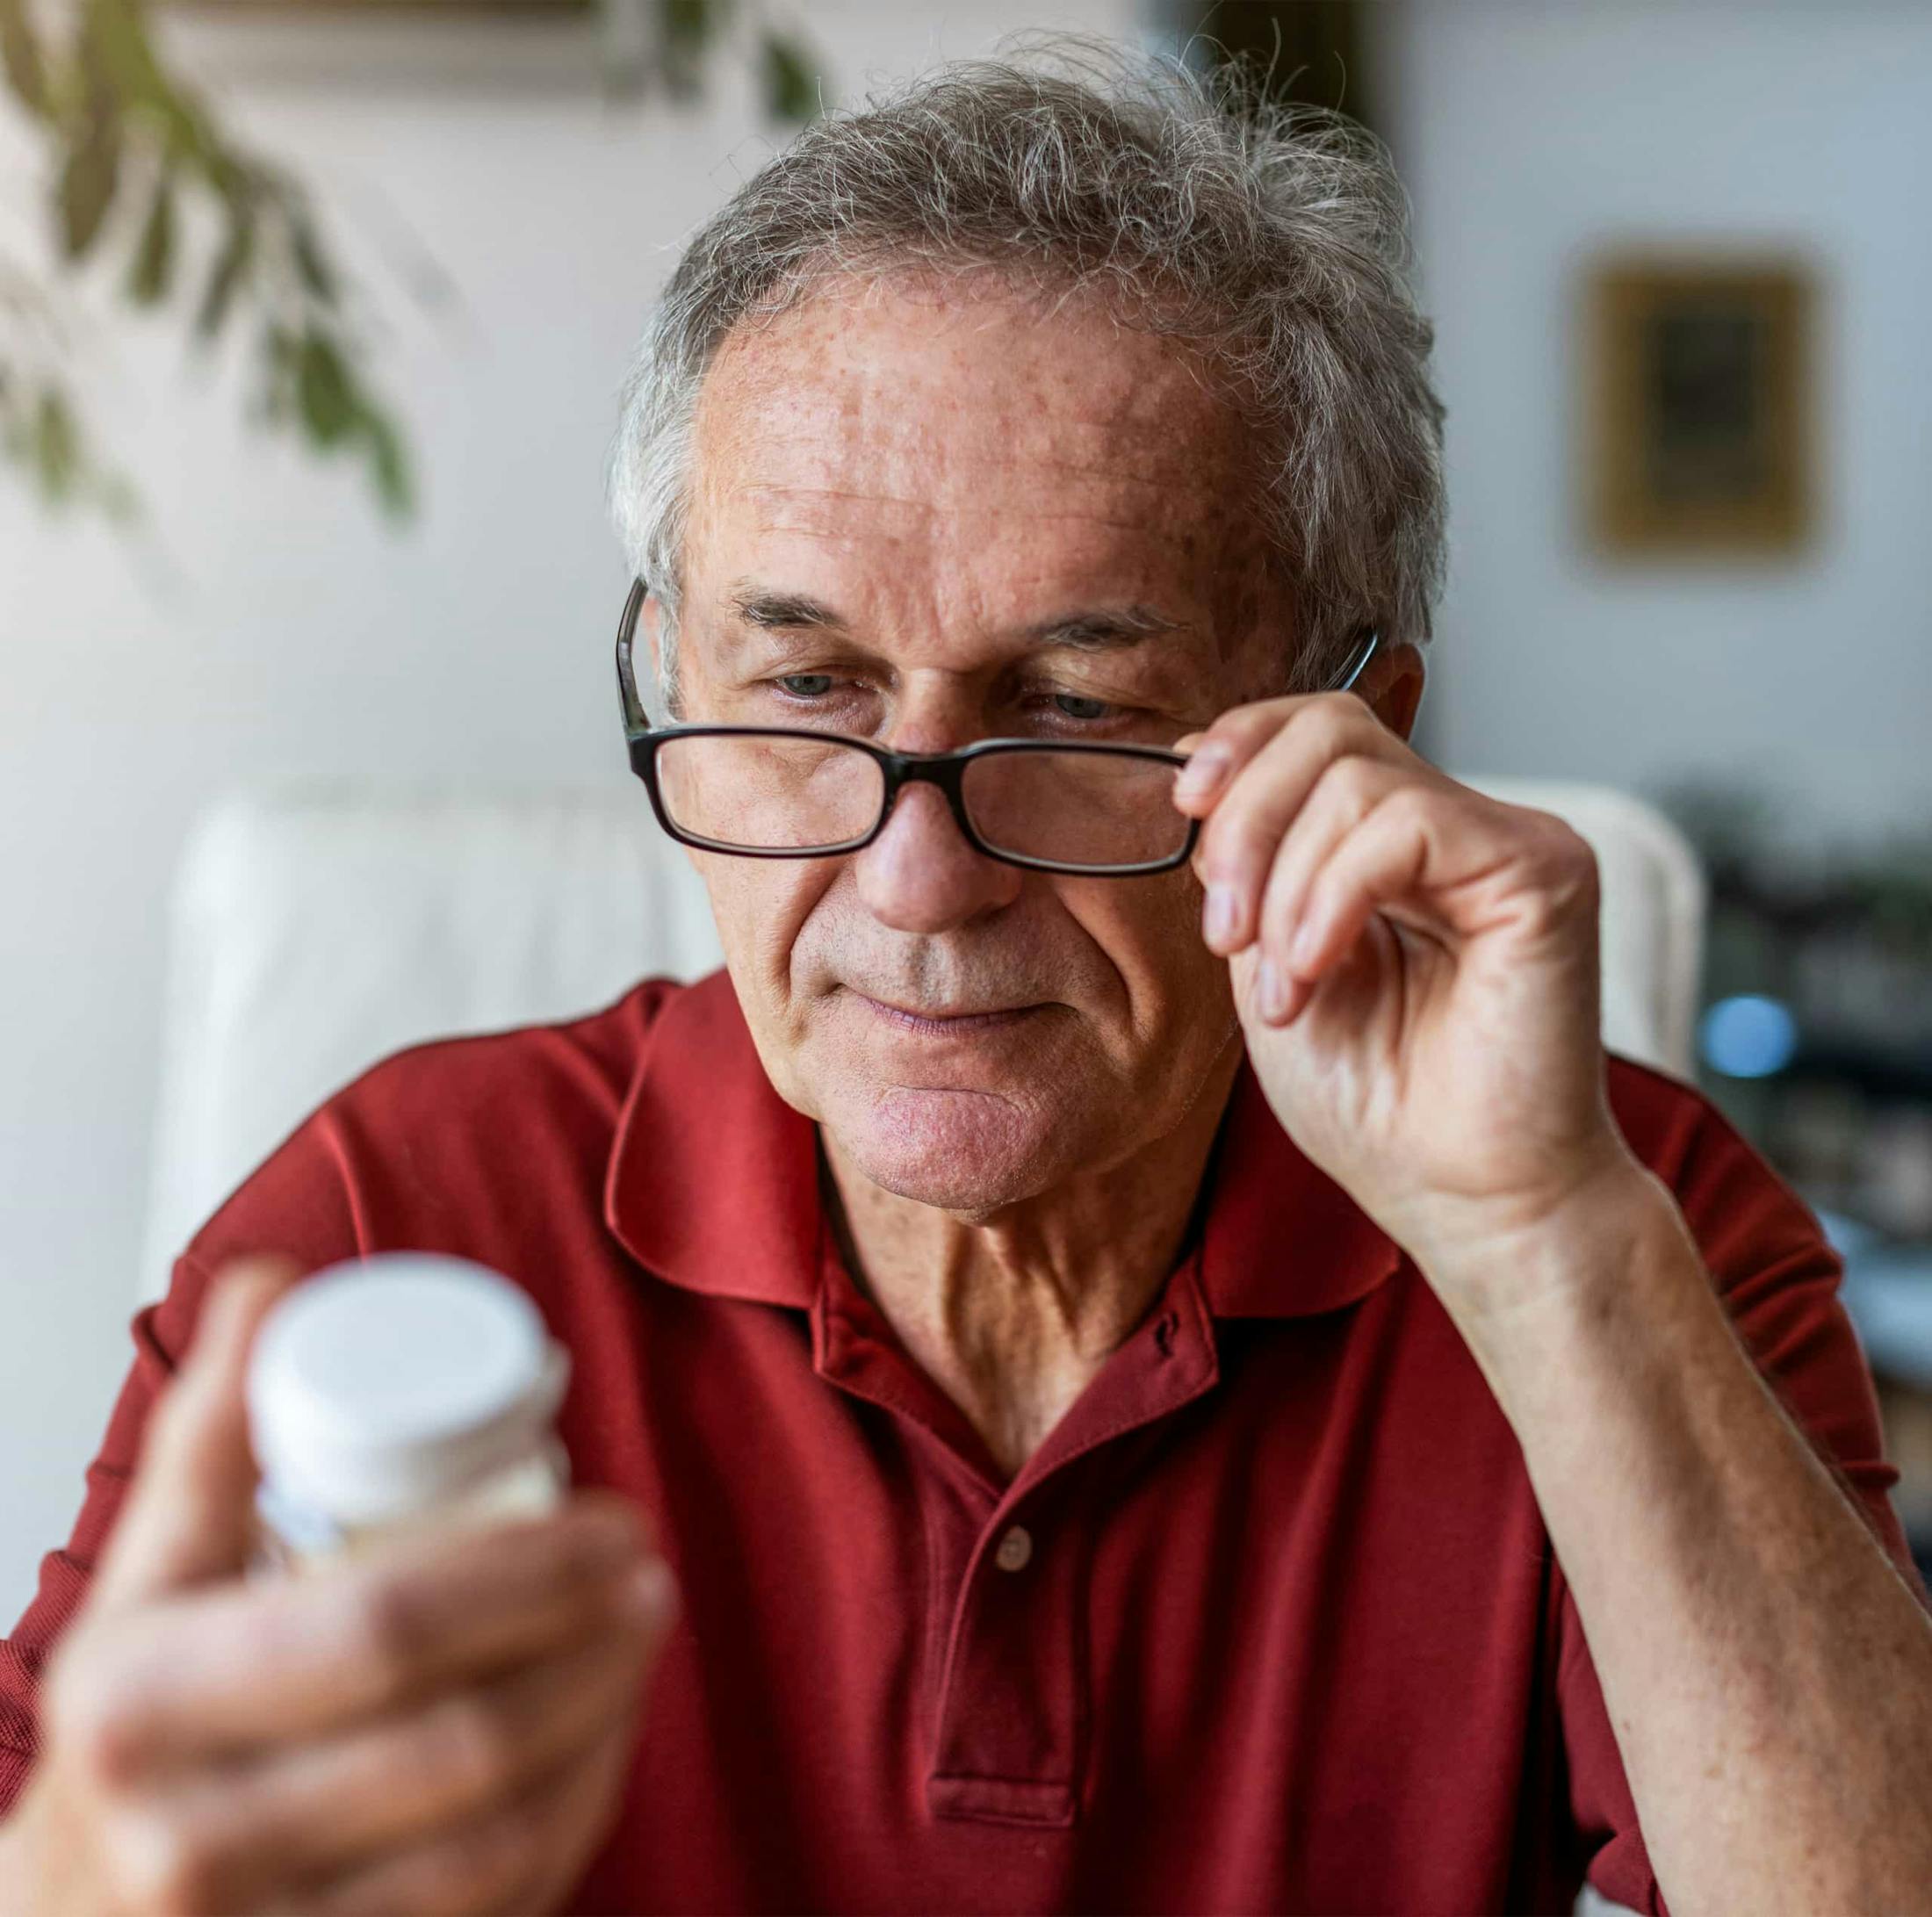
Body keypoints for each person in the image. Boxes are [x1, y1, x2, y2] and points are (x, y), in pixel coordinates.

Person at [4, 45, 1930, 1917]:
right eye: (805, 688)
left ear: (1356, 745)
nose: (913, 882)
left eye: (1077, 711)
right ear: (674, 679)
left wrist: (1541, 1243)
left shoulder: (1623, 1230)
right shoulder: (396, 1217)